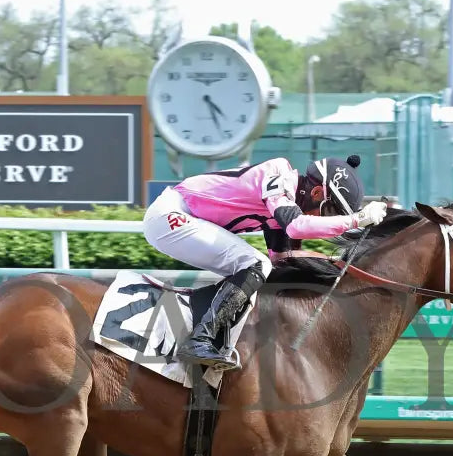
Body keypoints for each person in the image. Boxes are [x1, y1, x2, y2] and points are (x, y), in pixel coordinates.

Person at [142, 154, 388, 371]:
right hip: (171, 214)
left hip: (181, 218)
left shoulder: (281, 207)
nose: (325, 222)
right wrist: (356, 220)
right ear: (316, 194)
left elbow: (283, 260)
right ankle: (199, 341)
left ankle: (208, 335)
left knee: (261, 266)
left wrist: (339, 265)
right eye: (328, 213)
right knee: (255, 264)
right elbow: (296, 226)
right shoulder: (278, 175)